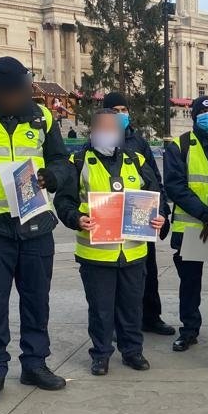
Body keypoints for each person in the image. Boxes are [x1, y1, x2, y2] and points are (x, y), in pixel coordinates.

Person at [0, 57, 71, 403]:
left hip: (35, 221)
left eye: (25, 92)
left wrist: (51, 177)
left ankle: (35, 364)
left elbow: (61, 161)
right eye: (15, 94)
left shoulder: (42, 116)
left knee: (36, 299)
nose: (21, 98)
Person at [54, 110, 164, 375]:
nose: (109, 133)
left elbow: (155, 194)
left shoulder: (135, 160)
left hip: (133, 252)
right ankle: (101, 354)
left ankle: (132, 351)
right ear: (92, 132)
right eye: (103, 128)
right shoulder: (78, 162)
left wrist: (160, 218)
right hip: (96, 254)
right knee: (101, 309)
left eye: (113, 129)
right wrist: (77, 218)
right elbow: (63, 201)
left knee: (131, 306)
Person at [102, 92, 174, 336]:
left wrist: (162, 212)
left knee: (147, 271)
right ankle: (114, 323)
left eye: (124, 108)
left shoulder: (139, 143)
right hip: (109, 218)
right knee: (114, 276)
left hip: (139, 216)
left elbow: (154, 180)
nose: (121, 113)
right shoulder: (95, 143)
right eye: (115, 109)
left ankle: (151, 317)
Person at [164, 95, 208, 351]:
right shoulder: (179, 146)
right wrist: (205, 215)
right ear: (192, 116)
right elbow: (176, 187)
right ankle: (189, 330)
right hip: (189, 227)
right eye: (202, 112)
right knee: (189, 284)